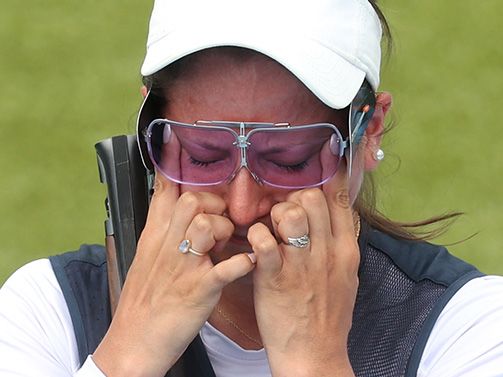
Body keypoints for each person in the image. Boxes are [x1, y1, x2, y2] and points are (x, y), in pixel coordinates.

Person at [1, 0, 503, 376]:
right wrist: (130, 354)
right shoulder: (47, 311)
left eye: (290, 159)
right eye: (202, 154)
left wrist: (314, 361)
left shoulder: (468, 328)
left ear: (368, 133)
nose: (242, 208)